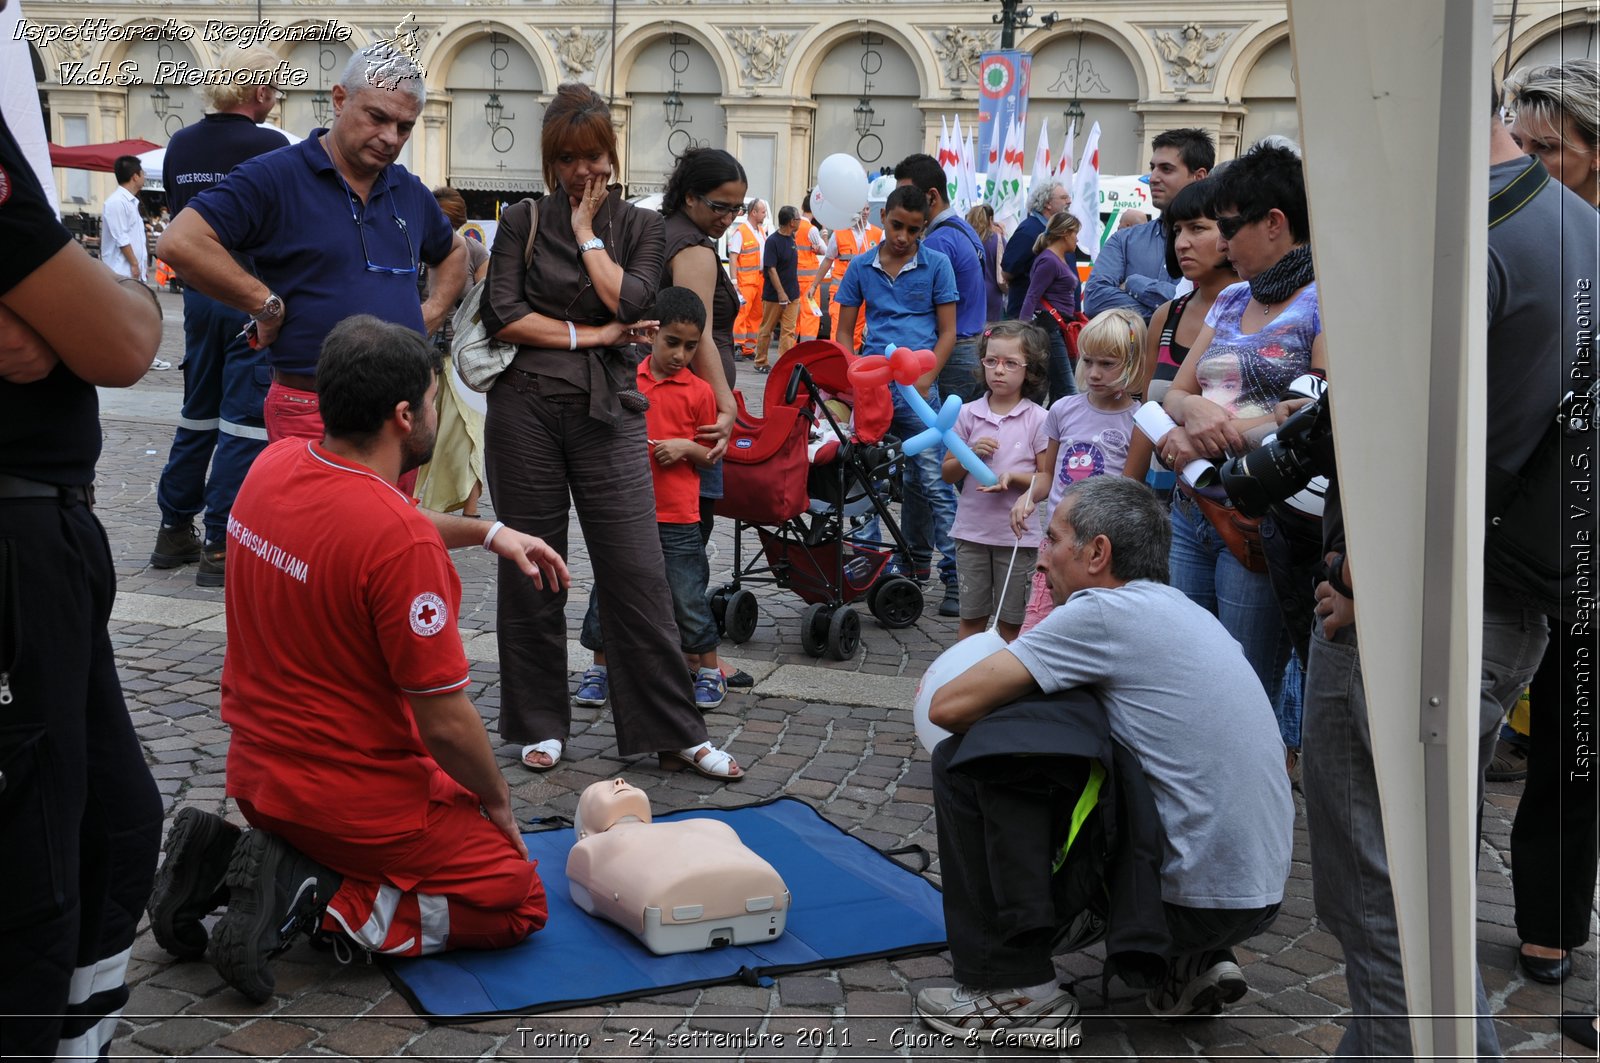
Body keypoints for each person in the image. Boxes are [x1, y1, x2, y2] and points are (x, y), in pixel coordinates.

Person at [146, 315, 560, 1003]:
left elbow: (367, 524)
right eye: (432, 399)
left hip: (258, 775)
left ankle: (225, 863)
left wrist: (489, 531)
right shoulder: (399, 542)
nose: (436, 409)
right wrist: (497, 801)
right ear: (404, 415)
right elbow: (447, 723)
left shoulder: (276, 465)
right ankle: (322, 896)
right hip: (353, 803)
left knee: (445, 800)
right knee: (517, 899)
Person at [1301, 89, 1592, 1059]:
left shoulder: (1469, 240)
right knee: (1416, 881)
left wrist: (1362, 573)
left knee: (1381, 893)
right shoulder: (1572, 223)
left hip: (1419, 602)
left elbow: (1410, 440)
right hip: (1507, 590)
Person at [914, 476, 1290, 1046]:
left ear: (1097, 553)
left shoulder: (1103, 613)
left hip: (1187, 903)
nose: (1041, 559)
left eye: (1053, 540)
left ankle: (1011, 989)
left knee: (966, 757)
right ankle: (1189, 965)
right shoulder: (1185, 612)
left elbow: (948, 706)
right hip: (1255, 897)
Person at [480, 82, 744, 782]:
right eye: (568, 157)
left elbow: (635, 299)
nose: (583, 171)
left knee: (637, 570)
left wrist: (591, 234)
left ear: (613, 153)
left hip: (612, 411)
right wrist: (595, 333)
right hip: (525, 407)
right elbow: (503, 312)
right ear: (550, 160)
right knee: (533, 569)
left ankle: (671, 729)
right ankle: (538, 721)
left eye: (594, 155)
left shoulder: (641, 225)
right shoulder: (523, 220)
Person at [0, 95, 166, 1059]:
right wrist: (108, 307)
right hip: (19, 530)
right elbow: (127, 342)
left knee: (114, 824)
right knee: (35, 878)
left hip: (49, 522)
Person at [157, 42, 470, 446]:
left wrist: (426, 315)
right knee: (315, 509)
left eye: (405, 126)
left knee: (391, 512)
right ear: (340, 100)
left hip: (397, 411)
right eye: (377, 117)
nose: (390, 137)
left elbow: (454, 251)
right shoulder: (276, 175)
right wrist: (265, 304)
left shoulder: (408, 190)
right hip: (311, 407)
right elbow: (181, 241)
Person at [1158, 143, 1324, 750]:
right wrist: (1192, 411)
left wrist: (1205, 430)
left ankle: (1253, 817)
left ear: (1275, 223)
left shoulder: (1324, 299)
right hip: (1192, 507)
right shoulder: (1232, 297)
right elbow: (1175, 392)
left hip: (1259, 516)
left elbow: (1312, 418)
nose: (1223, 243)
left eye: (1230, 227)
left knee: (1246, 685)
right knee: (1187, 669)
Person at [1498, 56, 1600, 1030]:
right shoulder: (1516, 235)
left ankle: (1551, 916)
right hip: (1512, 516)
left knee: (1576, 731)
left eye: (1547, 151)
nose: (1525, 164)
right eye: (1516, 146)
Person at [148, 45, 294, 587]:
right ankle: (220, 542)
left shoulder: (181, 144)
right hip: (246, 290)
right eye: (274, 90)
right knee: (242, 420)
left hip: (198, 296)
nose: (276, 100)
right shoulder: (270, 145)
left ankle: (173, 526)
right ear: (257, 92)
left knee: (197, 409)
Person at [579, 288, 727, 707]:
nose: (680, 354)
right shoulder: (628, 378)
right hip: (627, 510)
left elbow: (712, 456)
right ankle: (599, 668)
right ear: (652, 335)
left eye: (691, 346)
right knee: (609, 590)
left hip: (679, 516)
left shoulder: (700, 392)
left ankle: (710, 670)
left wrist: (684, 447)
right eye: (672, 343)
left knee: (687, 595)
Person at [833, 184, 961, 617]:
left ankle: (954, 575)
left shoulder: (937, 265)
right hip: (873, 392)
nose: (904, 236)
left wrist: (927, 378)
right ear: (881, 216)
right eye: (896, 225)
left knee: (934, 483)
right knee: (867, 484)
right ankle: (870, 567)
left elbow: (948, 333)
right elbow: (844, 334)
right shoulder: (860, 267)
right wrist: (854, 379)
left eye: (914, 229)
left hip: (920, 392)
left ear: (924, 227)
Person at [1012, 309, 1145, 633]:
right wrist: (1029, 497)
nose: (1094, 373)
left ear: (1132, 363)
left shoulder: (1139, 419)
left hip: (1104, 548)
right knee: (1040, 624)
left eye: (1107, 363)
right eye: (1088, 361)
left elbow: (1130, 491)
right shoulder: (1062, 409)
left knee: (1094, 630)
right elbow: (1048, 474)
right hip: (1058, 542)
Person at [1122, 178, 1238, 493]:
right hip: (1161, 500)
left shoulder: (1261, 315)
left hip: (1231, 505)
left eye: (1197, 228)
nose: (1182, 242)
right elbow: (1147, 417)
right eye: (1177, 231)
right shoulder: (1166, 316)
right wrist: (1125, 494)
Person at [941, 320, 1051, 640]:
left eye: (1010, 363)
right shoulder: (966, 413)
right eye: (991, 361)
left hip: (1017, 539)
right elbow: (948, 473)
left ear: (1029, 370)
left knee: (1012, 625)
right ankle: (965, 678)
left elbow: (1045, 478)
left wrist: (1012, 477)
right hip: (971, 534)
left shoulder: (1038, 420)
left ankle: (1004, 684)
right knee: (971, 619)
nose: (999, 370)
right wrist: (968, 454)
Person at [655, 147, 742, 541]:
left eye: (737, 209)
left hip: (673, 400)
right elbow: (698, 333)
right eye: (720, 206)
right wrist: (727, 403)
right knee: (687, 531)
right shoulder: (692, 247)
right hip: (690, 407)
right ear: (690, 196)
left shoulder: (665, 229)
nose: (727, 218)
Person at [413, 186, 491, 518]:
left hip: (461, 357)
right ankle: (419, 502)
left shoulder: (474, 251)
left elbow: (486, 305)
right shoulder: (415, 249)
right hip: (421, 352)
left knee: (468, 432)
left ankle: (470, 510)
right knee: (421, 427)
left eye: (449, 221)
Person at [1084, 128, 1214, 321]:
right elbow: (1094, 299)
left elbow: (1209, 307)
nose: (1153, 178)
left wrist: (1134, 283)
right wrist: (1170, 314)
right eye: (1152, 167)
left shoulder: (1220, 242)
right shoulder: (1125, 239)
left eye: (1166, 169)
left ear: (1199, 176)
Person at [893, 153, 988, 404]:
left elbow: (917, 308)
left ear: (931, 196)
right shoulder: (965, 230)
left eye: (907, 197)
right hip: (972, 349)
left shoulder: (937, 242)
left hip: (950, 357)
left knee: (938, 439)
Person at [1019, 211, 1084, 404]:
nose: (1077, 238)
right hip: (1051, 328)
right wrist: (1022, 330)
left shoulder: (1055, 258)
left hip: (1058, 328)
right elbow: (1032, 295)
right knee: (1068, 389)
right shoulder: (1049, 260)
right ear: (1065, 233)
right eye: (1075, 233)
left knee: (1053, 387)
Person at [811, 204, 881, 354]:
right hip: (840, 293)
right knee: (837, 330)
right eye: (860, 208)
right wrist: (814, 285)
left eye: (867, 209)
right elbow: (827, 260)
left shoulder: (877, 234)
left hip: (864, 294)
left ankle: (850, 363)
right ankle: (836, 363)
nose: (864, 212)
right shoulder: (839, 233)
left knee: (855, 333)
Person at [1001, 179, 1070, 319]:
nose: (1069, 201)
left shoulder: (1056, 232)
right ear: (1047, 204)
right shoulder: (1029, 231)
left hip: (1053, 320)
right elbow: (1008, 271)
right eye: (1063, 198)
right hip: (1031, 323)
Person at [753, 204, 800, 372]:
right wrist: (781, 293)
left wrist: (791, 293)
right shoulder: (773, 241)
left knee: (788, 331)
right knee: (767, 329)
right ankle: (760, 361)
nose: (800, 221)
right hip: (774, 296)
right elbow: (771, 269)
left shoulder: (792, 239)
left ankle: (785, 363)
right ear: (791, 222)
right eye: (797, 218)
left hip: (793, 295)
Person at [723, 198, 768, 359]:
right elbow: (733, 257)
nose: (765, 215)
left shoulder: (761, 231)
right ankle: (737, 346)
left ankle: (749, 348)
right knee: (742, 314)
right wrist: (734, 281)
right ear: (754, 212)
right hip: (745, 281)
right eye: (763, 212)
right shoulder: (741, 232)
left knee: (756, 315)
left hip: (759, 280)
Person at [102, 154, 149, 285]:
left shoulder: (131, 202)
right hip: (121, 272)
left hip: (131, 274)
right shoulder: (116, 202)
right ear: (135, 176)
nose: (144, 177)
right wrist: (134, 264)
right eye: (142, 173)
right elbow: (121, 237)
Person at [793, 193, 828, 341]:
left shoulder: (792, 226)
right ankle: (806, 348)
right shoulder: (811, 229)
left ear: (802, 207)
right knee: (809, 316)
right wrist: (824, 231)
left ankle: (790, 348)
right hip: (809, 282)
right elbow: (826, 251)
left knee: (794, 315)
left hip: (793, 279)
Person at [967, 203, 1006, 324]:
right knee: (990, 334)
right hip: (993, 293)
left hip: (970, 291)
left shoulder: (965, 240)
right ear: (990, 219)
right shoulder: (997, 239)